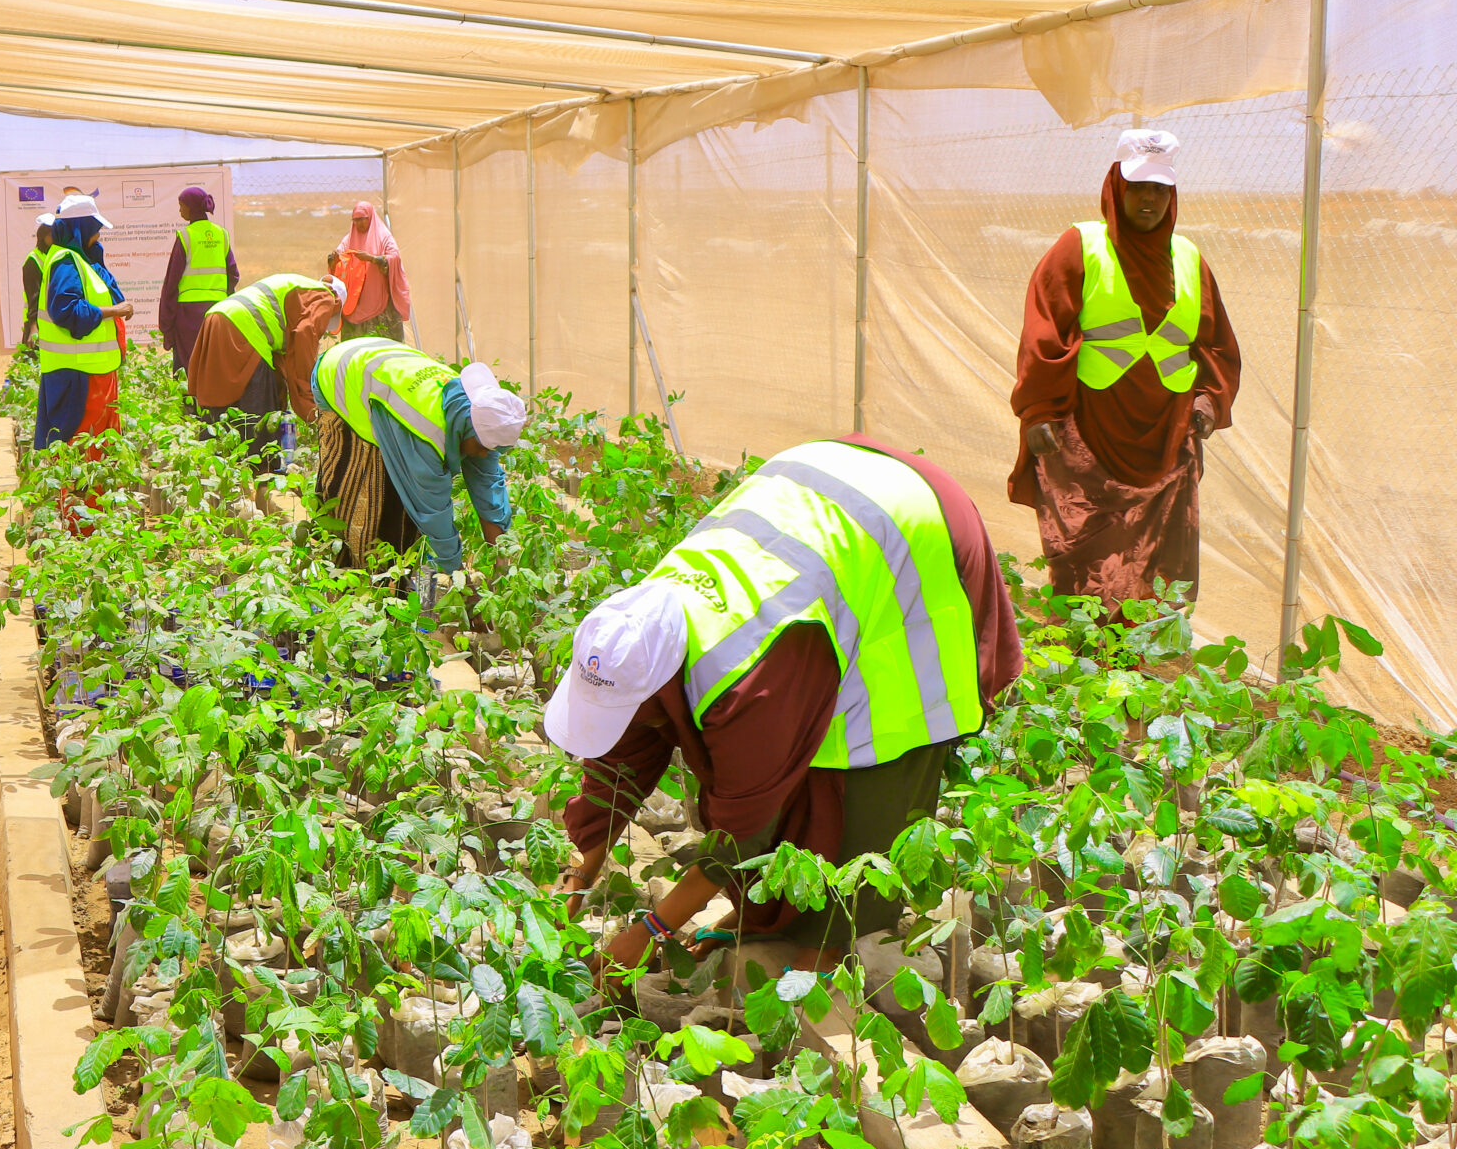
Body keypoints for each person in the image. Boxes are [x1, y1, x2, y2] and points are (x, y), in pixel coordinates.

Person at [548, 436, 1024, 969]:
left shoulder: (751, 676)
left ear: (659, 692)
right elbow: (621, 760)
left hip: (917, 536)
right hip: (829, 484)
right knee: (803, 784)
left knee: (865, 781)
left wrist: (651, 929)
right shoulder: (642, 633)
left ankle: (826, 948)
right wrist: (578, 874)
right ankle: (773, 917)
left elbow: (745, 826)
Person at [1010, 129, 1241, 611]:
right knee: (1087, 560)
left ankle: (1139, 669)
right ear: (1116, 187)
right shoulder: (1080, 245)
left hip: (1167, 439)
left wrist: (1208, 400)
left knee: (1159, 564)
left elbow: (1215, 343)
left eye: (1160, 189)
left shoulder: (1190, 258)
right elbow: (1044, 331)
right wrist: (1037, 413)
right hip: (1088, 440)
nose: (1150, 200)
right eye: (1138, 188)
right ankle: (1082, 670)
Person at [311, 338, 520, 575]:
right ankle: (352, 574)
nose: (484, 454)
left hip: (379, 360)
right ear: (467, 431)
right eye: (483, 447)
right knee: (368, 496)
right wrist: (461, 585)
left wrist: (502, 559)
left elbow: (488, 482)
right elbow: (432, 511)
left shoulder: (475, 415)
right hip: (339, 372)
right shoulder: (425, 429)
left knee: (400, 504)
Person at [188, 272, 343, 475]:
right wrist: (310, 401)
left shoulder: (299, 288)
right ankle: (260, 471)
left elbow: (282, 365)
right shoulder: (326, 297)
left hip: (218, 316)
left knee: (222, 400)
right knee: (260, 410)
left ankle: (216, 466)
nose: (323, 330)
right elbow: (305, 334)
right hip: (243, 328)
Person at [33, 193, 133, 451]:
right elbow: (67, 311)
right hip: (78, 376)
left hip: (91, 371)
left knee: (97, 446)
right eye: (95, 230)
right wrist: (113, 311)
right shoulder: (66, 262)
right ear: (81, 228)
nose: (98, 236)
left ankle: (92, 493)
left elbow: (108, 293)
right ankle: (80, 494)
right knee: (82, 445)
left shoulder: (81, 260)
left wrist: (97, 259)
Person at [158, 186, 240, 371]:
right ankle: (215, 400)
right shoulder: (222, 235)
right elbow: (233, 275)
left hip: (188, 314)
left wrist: (166, 322)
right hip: (218, 311)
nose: (180, 210)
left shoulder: (186, 236)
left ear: (191, 207)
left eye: (182, 206)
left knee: (189, 368)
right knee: (215, 365)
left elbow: (171, 283)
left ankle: (189, 401)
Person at [330, 200, 410, 342]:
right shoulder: (349, 239)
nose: (358, 224)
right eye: (355, 220)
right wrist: (334, 260)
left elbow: (394, 258)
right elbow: (339, 256)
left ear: (370, 218)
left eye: (362, 220)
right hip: (355, 302)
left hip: (379, 302)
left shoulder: (383, 236)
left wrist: (373, 259)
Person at [18, 218, 55, 353]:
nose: (55, 238)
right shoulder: (33, 261)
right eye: (51, 234)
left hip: (52, 322)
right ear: (42, 236)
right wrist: (34, 327)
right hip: (37, 323)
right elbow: (34, 296)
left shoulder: (54, 256)